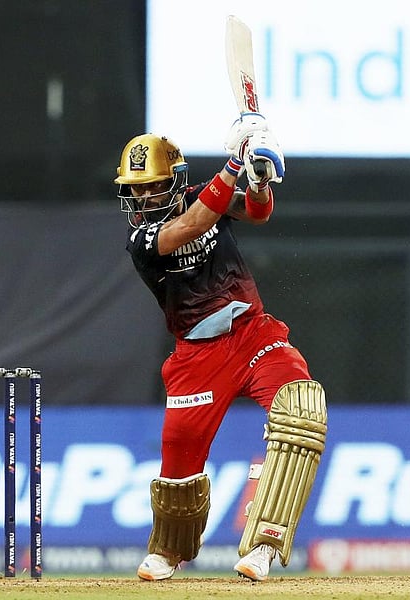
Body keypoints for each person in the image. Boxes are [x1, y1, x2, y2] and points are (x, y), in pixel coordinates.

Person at [113, 114, 328, 582]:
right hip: (197, 355)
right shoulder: (142, 240)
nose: (145, 198)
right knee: (179, 458)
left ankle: (266, 543)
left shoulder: (200, 195)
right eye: (137, 190)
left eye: (154, 186)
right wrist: (234, 162)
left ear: (175, 179)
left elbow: (257, 212)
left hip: (253, 335)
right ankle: (169, 551)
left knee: (302, 408)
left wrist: (259, 179)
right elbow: (193, 225)